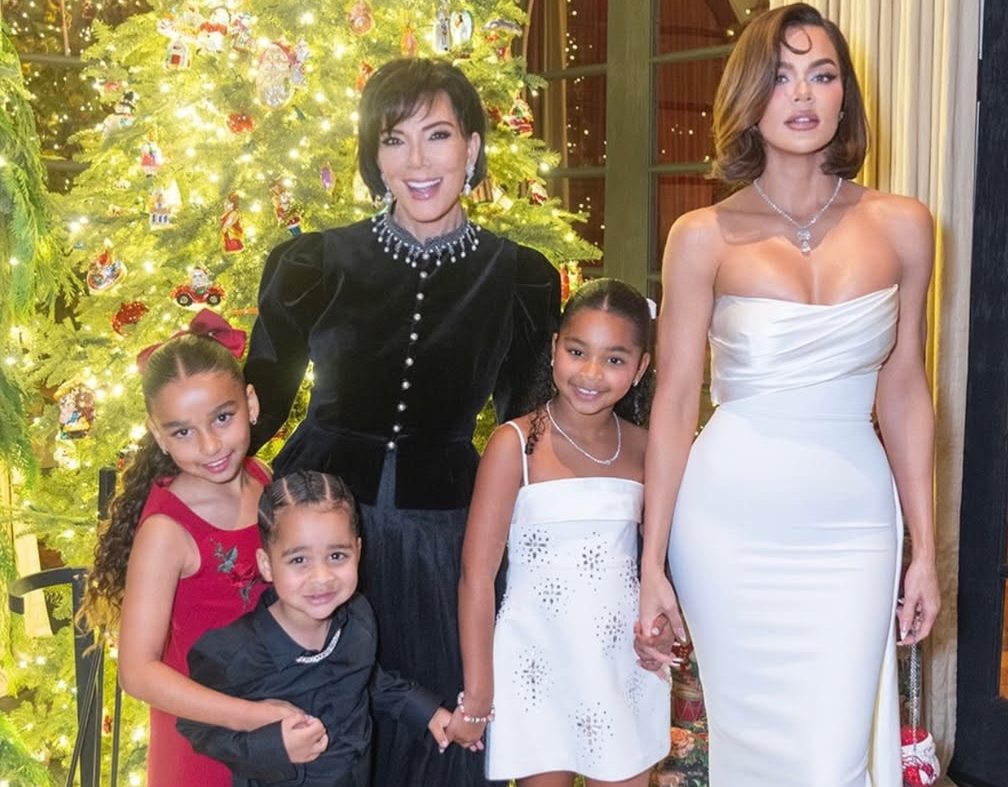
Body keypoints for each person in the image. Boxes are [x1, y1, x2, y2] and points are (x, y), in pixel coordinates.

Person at [637, 5, 941, 786]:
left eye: (821, 74)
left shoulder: (904, 225)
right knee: (753, 757)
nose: (802, 93)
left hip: (853, 526)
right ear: (749, 96)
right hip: (728, 525)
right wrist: (652, 562)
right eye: (779, 76)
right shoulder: (700, 236)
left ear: (845, 97)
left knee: (832, 759)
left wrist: (925, 551)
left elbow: (905, 388)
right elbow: (674, 402)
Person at [243, 58, 561, 786]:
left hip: (443, 544)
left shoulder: (521, 277)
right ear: (374, 156)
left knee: (436, 736)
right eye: (394, 139)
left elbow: (527, 430)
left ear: (472, 147)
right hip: (315, 531)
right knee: (314, 729)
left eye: (437, 135)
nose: (417, 162)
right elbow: (258, 404)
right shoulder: (314, 262)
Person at [453, 279, 671, 786]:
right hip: (536, 664)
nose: (591, 373)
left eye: (614, 359)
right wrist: (479, 689)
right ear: (555, 348)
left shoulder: (647, 449)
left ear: (640, 368)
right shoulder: (515, 445)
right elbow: (476, 576)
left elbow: (660, 560)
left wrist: (659, 624)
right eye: (577, 352)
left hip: (620, 663)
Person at [78, 309, 298, 787]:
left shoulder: (263, 478)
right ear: (159, 435)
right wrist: (250, 716)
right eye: (183, 432)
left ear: (251, 404)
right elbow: (138, 672)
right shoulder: (166, 532)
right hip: (206, 746)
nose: (210, 445)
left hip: (279, 727)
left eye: (222, 417)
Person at [178, 470, 454, 786]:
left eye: (336, 555)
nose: (321, 577)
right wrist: (274, 746)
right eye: (299, 560)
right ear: (267, 565)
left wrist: (424, 710)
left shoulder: (358, 617)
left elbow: (366, 677)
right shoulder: (233, 652)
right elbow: (195, 724)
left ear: (358, 552)